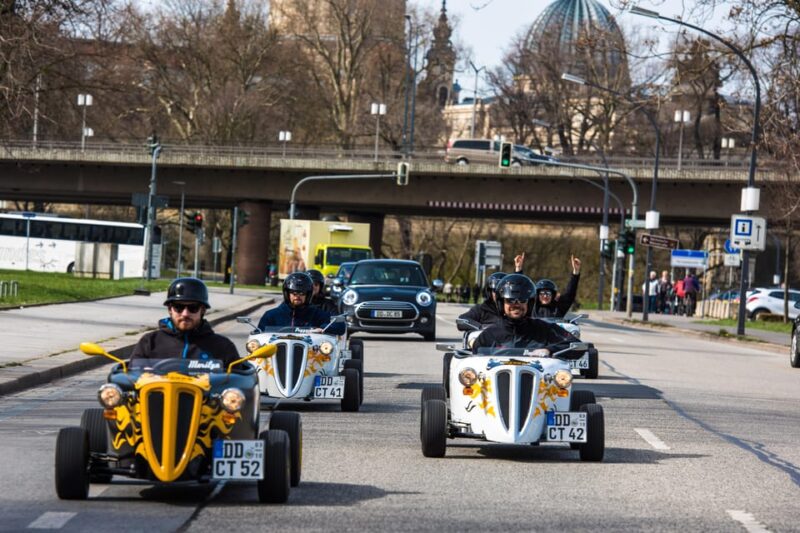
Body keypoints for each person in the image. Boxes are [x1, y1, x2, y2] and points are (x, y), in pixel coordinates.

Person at [130, 277, 239, 367]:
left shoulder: (223, 346)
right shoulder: (149, 342)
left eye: (193, 308)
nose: (185, 314)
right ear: (170, 309)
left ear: (203, 310)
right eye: (179, 307)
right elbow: (130, 375)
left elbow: (240, 380)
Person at [472, 274, 574, 352]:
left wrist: (549, 350)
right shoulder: (490, 334)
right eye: (510, 300)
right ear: (501, 303)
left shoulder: (545, 329)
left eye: (522, 300)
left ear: (529, 303)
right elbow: (473, 357)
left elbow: (575, 345)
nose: (516, 305)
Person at [257, 272, 345, 334]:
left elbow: (340, 327)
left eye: (302, 293)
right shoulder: (271, 315)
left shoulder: (318, 314)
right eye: (294, 293)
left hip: (311, 358)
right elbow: (258, 334)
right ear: (287, 293)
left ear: (308, 295)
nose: (297, 296)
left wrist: (323, 328)